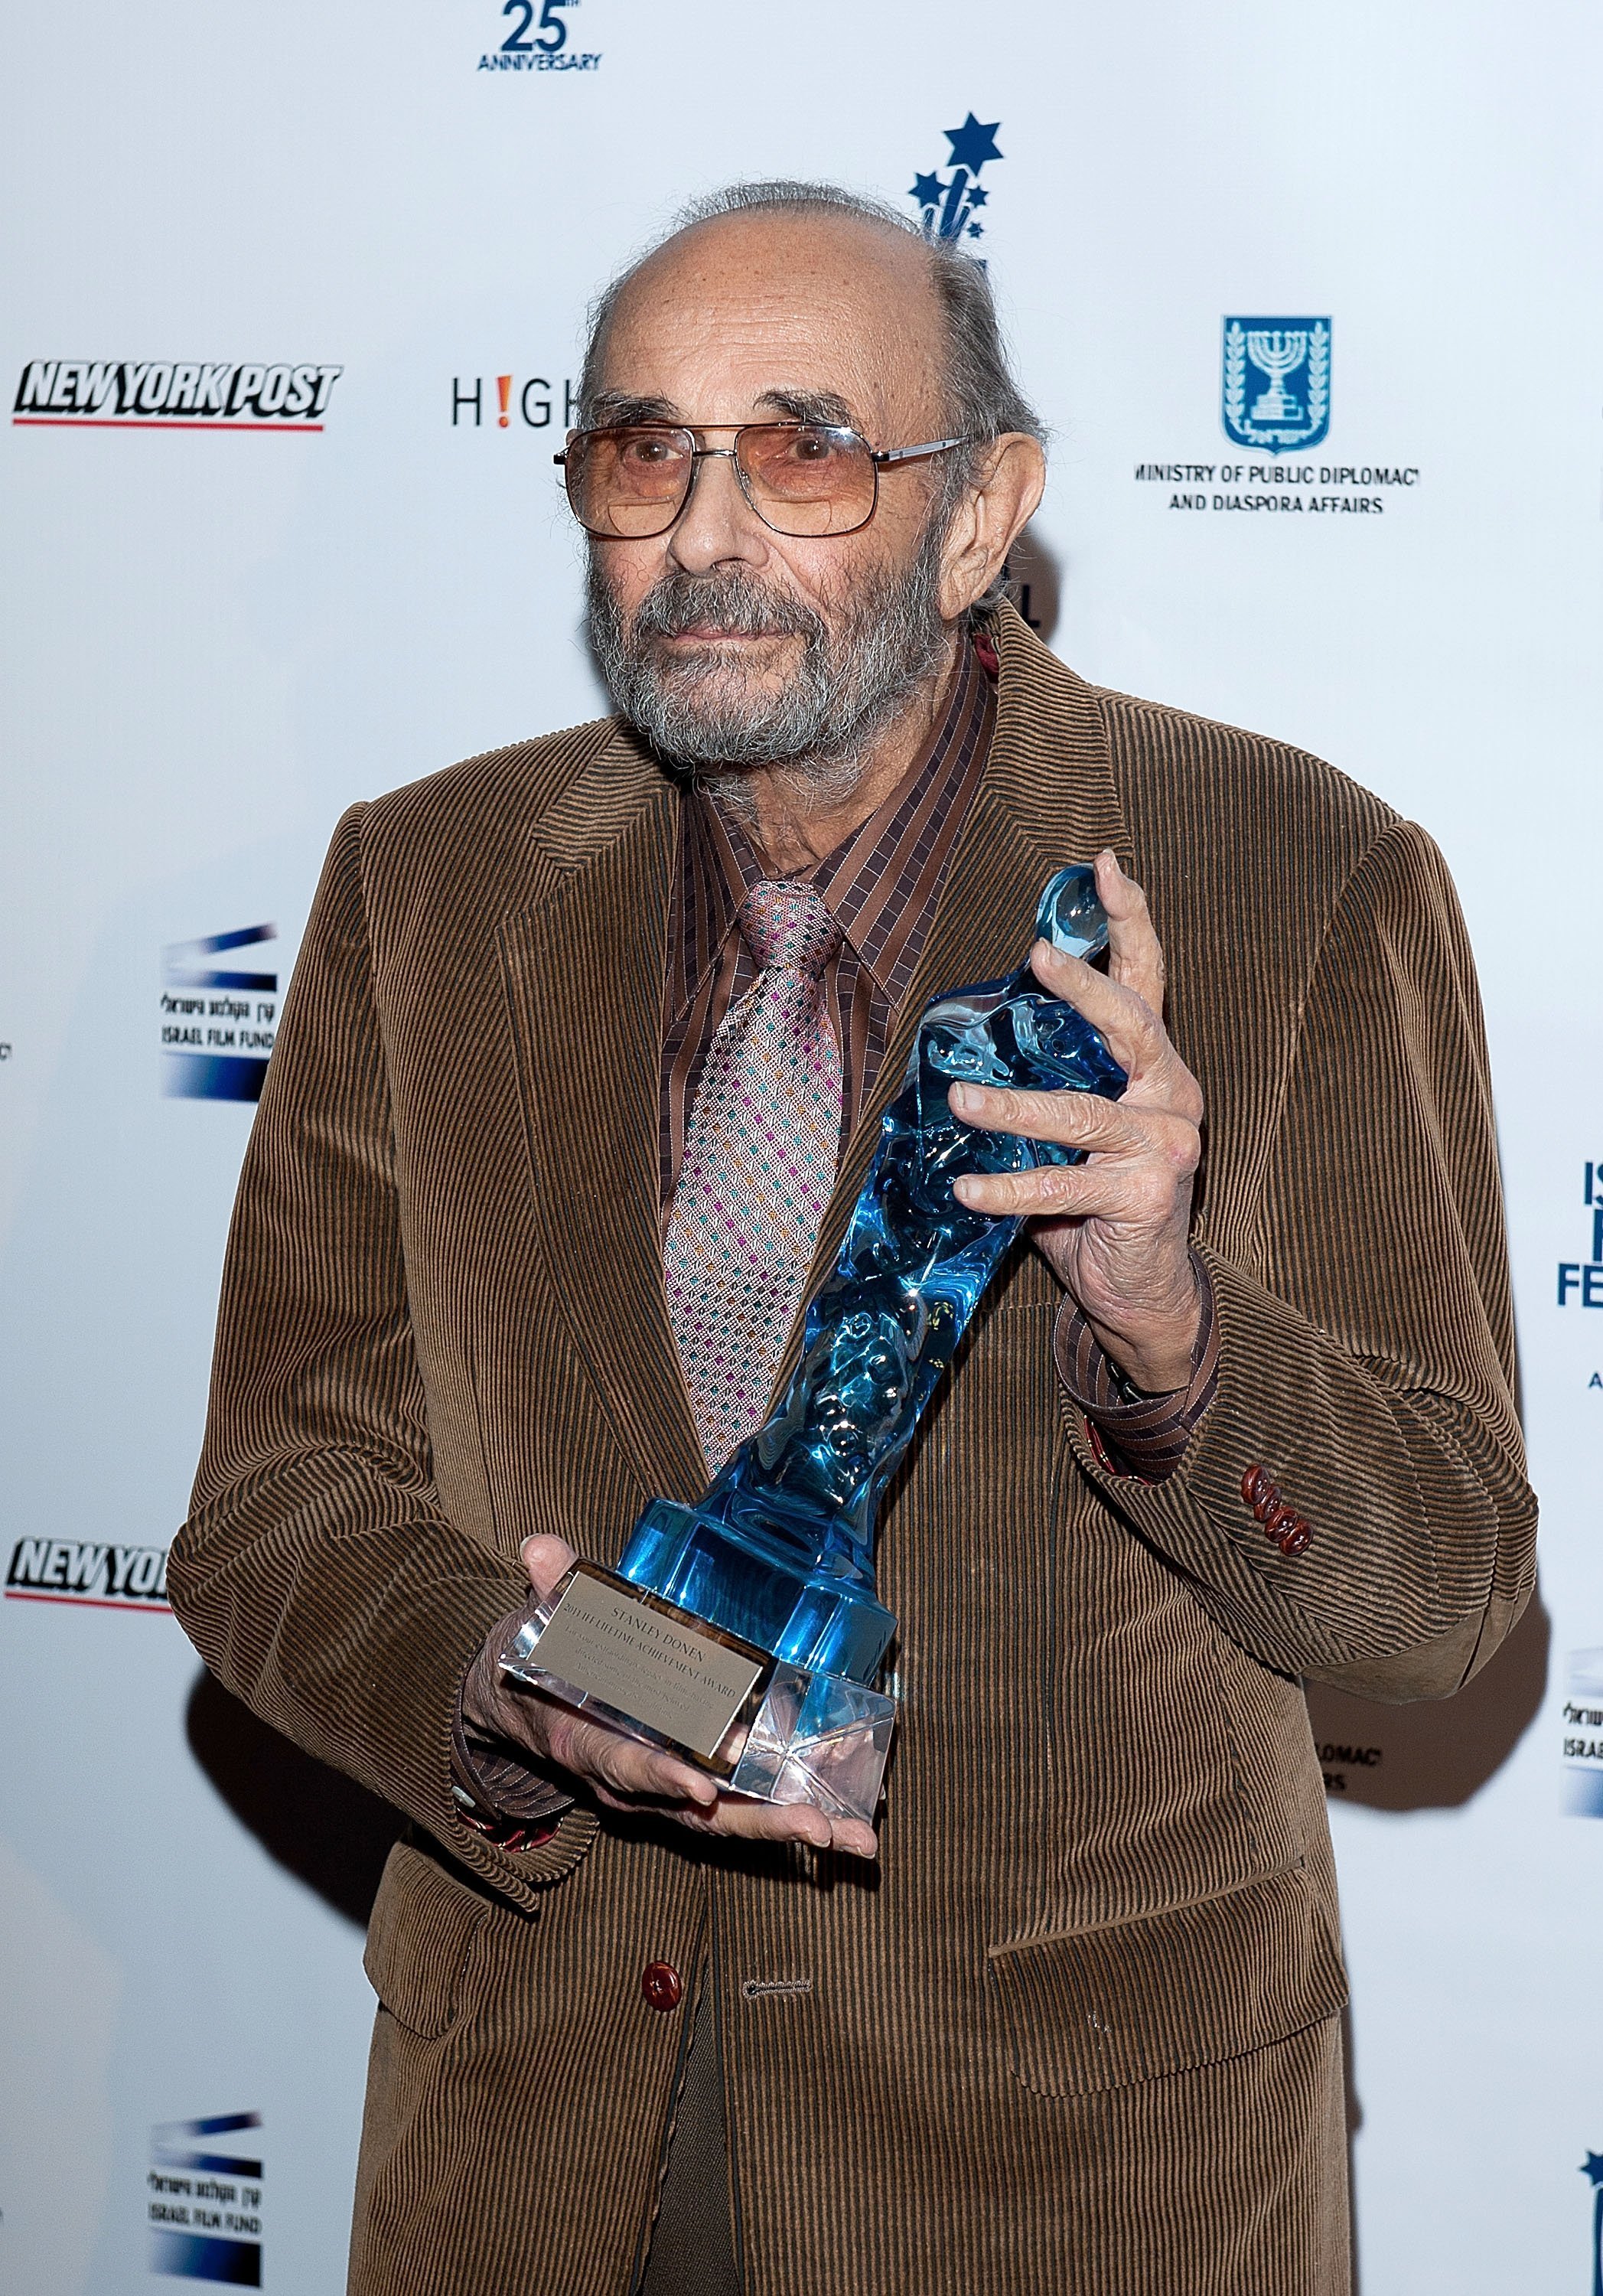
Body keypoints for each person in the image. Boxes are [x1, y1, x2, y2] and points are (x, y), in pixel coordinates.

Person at [170, 181, 1536, 2296]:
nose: (706, 532)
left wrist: (1172, 1326)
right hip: (530, 2158)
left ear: (983, 514)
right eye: (644, 449)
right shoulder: (426, 884)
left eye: (803, 449)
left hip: (1073, 2187)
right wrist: (541, 1686)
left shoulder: (1298, 880)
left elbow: (1437, 1597)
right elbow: (276, 1509)